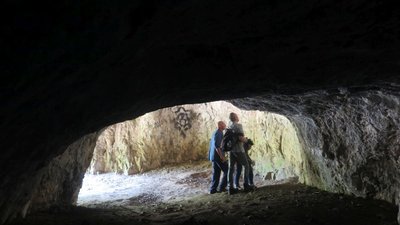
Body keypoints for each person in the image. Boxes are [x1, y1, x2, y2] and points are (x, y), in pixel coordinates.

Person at [227, 113, 255, 195]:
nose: (238, 117)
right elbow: (240, 138)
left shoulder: (229, 126)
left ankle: (230, 187)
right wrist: (248, 141)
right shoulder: (238, 126)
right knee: (246, 165)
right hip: (239, 150)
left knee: (231, 168)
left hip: (231, 151)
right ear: (235, 117)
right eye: (237, 116)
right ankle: (246, 185)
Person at [208, 121, 228, 194]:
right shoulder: (219, 133)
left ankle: (213, 190)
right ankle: (222, 187)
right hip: (217, 156)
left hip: (213, 156)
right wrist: (222, 157)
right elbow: (217, 147)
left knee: (216, 173)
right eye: (224, 124)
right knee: (227, 170)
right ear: (220, 126)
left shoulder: (215, 132)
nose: (225, 125)